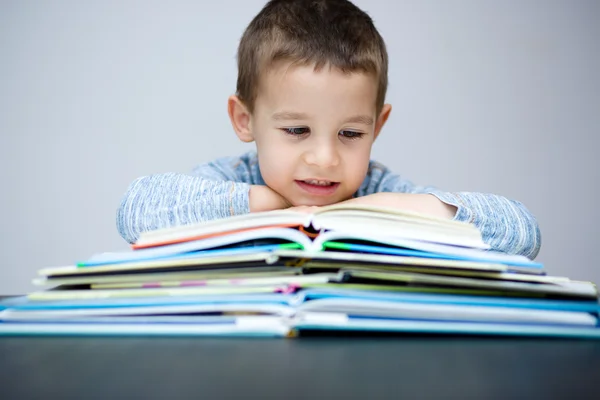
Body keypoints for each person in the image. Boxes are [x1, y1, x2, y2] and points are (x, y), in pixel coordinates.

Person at [117, 0, 541, 259]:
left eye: (351, 134)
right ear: (244, 120)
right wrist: (271, 203)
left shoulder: (377, 188)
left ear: (377, 126)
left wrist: (375, 208)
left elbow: (521, 232)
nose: (325, 158)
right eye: (297, 129)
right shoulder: (231, 182)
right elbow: (135, 213)